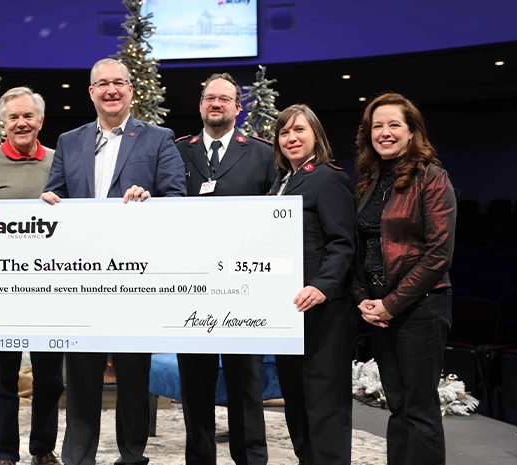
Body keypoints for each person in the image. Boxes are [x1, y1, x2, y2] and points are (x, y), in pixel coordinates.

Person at [40, 58, 186, 465]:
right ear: (91, 92)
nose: (111, 90)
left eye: (119, 83)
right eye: (102, 84)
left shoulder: (158, 138)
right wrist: (49, 203)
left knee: (133, 376)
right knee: (81, 377)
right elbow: (56, 195)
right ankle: (78, 457)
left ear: (131, 90)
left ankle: (132, 456)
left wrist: (150, 200)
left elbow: (177, 200)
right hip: (81, 280)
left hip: (134, 281)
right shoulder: (69, 141)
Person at [174, 72, 276, 465]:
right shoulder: (177, 150)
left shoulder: (264, 153)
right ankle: (199, 458)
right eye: (210, 98)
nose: (216, 104)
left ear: (238, 107)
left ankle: (250, 458)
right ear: (201, 104)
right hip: (190, 286)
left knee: (244, 381)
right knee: (194, 381)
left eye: (225, 99)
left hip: (243, 288)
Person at [353, 93, 455, 465]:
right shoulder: (369, 179)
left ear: (412, 132)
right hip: (380, 307)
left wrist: (391, 305)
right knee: (396, 405)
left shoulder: (431, 177)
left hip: (421, 307)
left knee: (419, 408)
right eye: (377, 125)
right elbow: (360, 245)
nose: (384, 132)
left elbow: (438, 255)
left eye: (394, 124)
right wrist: (365, 296)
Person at [0, 87, 64, 465]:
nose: (21, 123)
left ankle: (42, 449)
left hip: (51, 288)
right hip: (1, 290)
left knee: (50, 378)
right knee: (3, 376)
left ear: (40, 121)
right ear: (3, 122)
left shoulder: (60, 162)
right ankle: (5, 451)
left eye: (28, 116)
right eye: (13, 117)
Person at [268, 104, 357, 465]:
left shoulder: (328, 177)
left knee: (324, 403)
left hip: (324, 311)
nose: (291, 138)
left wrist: (322, 285)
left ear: (316, 135)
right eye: (284, 132)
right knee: (298, 401)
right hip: (291, 311)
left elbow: (343, 242)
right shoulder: (281, 181)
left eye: (299, 130)